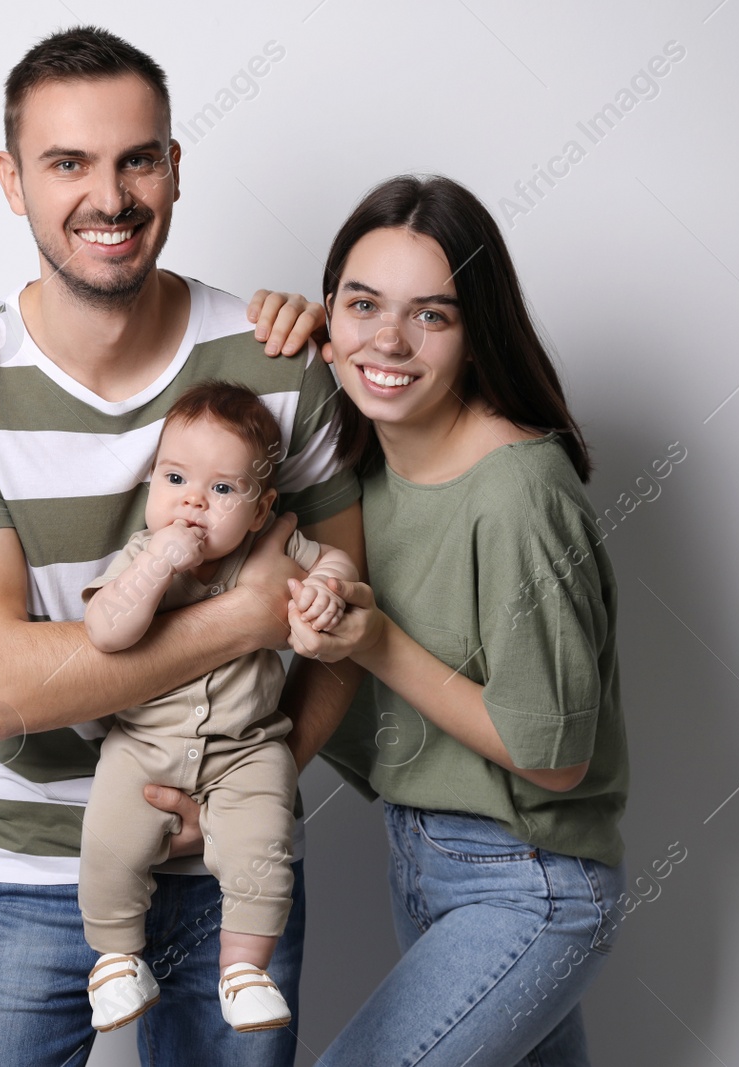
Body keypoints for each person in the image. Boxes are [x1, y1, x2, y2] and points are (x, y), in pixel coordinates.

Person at [0, 26, 367, 1067]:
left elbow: (349, 628)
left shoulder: (278, 364)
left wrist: (247, 793)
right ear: (12, 181)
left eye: (136, 158)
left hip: (234, 874)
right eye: (68, 163)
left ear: (175, 169)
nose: (110, 196)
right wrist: (243, 615)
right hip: (23, 871)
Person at [267, 174, 631, 1065]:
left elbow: (554, 757)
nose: (389, 339)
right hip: (424, 857)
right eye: (363, 304)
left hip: (528, 884)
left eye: (432, 315)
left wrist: (378, 642)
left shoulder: (515, 492)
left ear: (477, 336)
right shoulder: (361, 462)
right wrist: (286, 346)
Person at [78, 382, 357, 1034]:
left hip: (247, 747)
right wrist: (158, 567)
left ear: (261, 512)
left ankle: (244, 970)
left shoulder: (274, 554)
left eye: (223, 489)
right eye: (175, 477)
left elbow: (339, 557)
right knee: (108, 841)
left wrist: (327, 583)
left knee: (265, 844)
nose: (194, 500)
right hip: (144, 743)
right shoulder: (140, 556)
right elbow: (107, 630)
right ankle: (115, 959)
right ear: (151, 483)